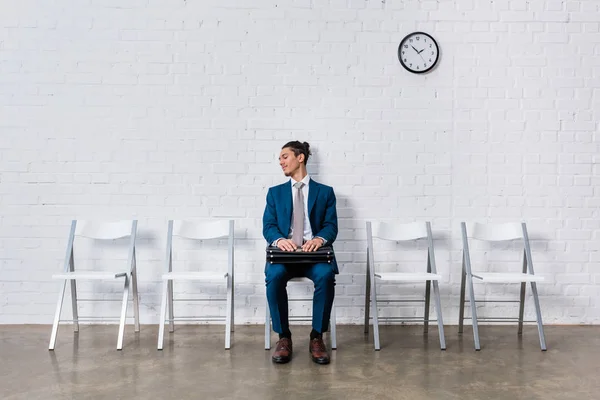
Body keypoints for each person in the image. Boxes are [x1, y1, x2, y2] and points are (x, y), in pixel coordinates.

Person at [263, 141, 338, 365]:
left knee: (326, 276)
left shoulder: (325, 192)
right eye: (279, 158)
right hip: (285, 255)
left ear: (300, 158)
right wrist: (279, 240)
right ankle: (284, 337)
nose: (280, 162)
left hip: (313, 255)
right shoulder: (274, 193)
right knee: (274, 276)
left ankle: (317, 336)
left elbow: (331, 226)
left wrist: (319, 239)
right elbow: (268, 226)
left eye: (285, 156)